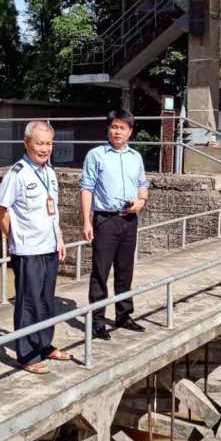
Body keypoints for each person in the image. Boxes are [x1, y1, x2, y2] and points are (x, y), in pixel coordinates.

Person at [0, 121, 70, 373]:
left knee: (47, 301)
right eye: (40, 143)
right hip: (28, 250)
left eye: (49, 143)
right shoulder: (17, 174)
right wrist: (15, 239)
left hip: (48, 246)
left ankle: (44, 344)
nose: (45, 148)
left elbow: (53, 210)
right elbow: (0, 211)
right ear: (27, 143)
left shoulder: (49, 171)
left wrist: (59, 238)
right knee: (28, 302)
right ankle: (27, 355)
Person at [80, 108, 149, 341]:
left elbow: (143, 185)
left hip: (129, 219)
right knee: (100, 271)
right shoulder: (96, 155)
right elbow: (86, 188)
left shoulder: (135, 157)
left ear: (130, 131)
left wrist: (140, 202)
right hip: (105, 219)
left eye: (122, 127)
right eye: (114, 127)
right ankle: (97, 321)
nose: (117, 131)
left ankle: (124, 314)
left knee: (125, 270)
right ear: (108, 129)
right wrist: (86, 221)